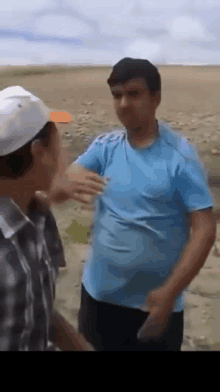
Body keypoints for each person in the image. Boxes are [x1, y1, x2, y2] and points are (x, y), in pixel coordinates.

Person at [44, 57, 217, 351]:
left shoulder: (180, 156)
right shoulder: (105, 147)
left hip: (156, 307)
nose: (123, 103)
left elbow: (204, 228)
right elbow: (59, 192)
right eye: (117, 95)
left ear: (156, 98)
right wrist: (62, 184)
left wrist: (169, 294)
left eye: (134, 94)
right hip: (98, 298)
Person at [0, 85, 106, 351]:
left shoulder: (37, 215)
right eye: (58, 138)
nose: (65, 152)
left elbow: (36, 307)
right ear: (39, 152)